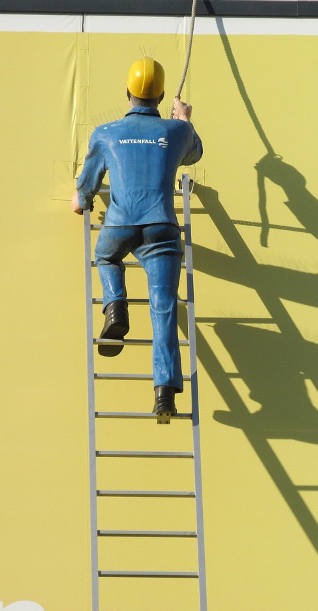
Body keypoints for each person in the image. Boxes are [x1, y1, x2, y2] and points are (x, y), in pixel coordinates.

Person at [71, 57, 203, 417]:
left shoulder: (105, 133)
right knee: (164, 311)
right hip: (162, 228)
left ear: (127, 92)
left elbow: (87, 185)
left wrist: (80, 200)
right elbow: (195, 151)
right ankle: (165, 395)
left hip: (120, 225)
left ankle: (116, 306)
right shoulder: (175, 132)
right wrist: (184, 120)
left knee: (107, 256)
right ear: (160, 94)